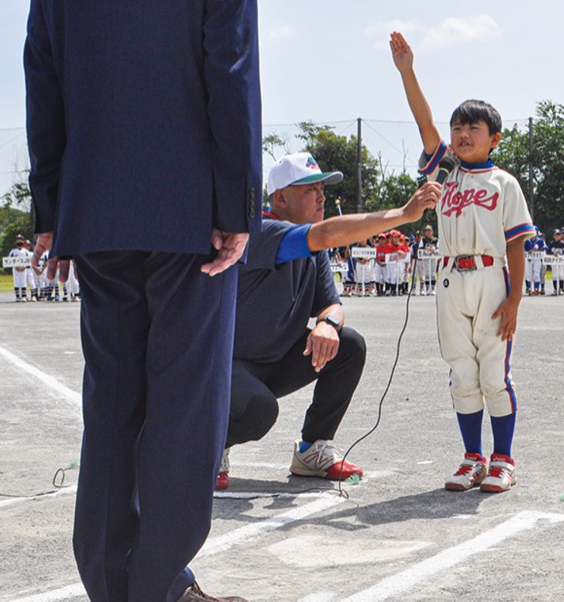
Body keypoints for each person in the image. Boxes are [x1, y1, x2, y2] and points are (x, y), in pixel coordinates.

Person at [23, 0, 261, 602]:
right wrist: (237, 207)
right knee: (184, 411)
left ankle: (109, 578)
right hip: (192, 221)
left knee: (113, 402)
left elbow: (43, 88)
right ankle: (161, 583)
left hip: (97, 217)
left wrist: (53, 212)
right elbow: (229, 77)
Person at [218, 153, 441, 489]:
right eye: (310, 189)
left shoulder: (313, 248)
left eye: (322, 188)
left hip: (274, 362)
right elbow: (324, 236)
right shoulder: (258, 231)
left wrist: (328, 324)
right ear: (281, 198)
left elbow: (332, 304)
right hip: (228, 367)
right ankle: (206, 447)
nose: (321, 196)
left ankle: (312, 449)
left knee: (349, 345)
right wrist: (402, 215)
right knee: (259, 411)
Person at [391, 31, 536, 494]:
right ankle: (472, 457)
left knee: (495, 373)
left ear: (494, 138)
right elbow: (423, 122)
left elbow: (516, 244)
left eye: (473, 129)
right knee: (462, 371)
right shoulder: (445, 171)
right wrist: (407, 71)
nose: (462, 134)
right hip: (451, 276)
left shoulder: (503, 182)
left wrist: (515, 299)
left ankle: (503, 459)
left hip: (492, 277)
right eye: (458, 128)